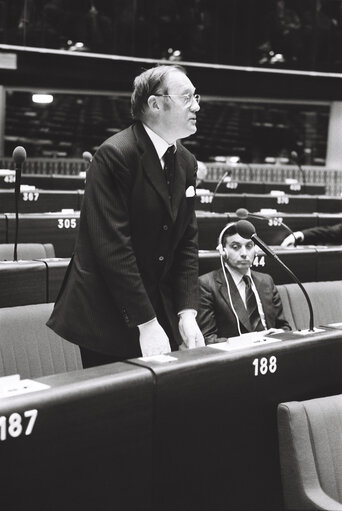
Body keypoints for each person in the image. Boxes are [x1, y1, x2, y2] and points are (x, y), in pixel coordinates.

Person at [47, 64, 205, 367]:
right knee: (113, 409)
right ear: (155, 103)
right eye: (187, 98)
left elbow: (186, 240)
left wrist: (187, 311)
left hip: (158, 306)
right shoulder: (115, 154)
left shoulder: (186, 162)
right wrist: (145, 322)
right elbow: (111, 246)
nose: (196, 106)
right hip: (107, 312)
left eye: (196, 97)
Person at [197, 222, 291, 344]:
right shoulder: (207, 284)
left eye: (249, 246)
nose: (244, 253)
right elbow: (208, 339)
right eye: (236, 247)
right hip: (236, 357)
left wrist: (280, 334)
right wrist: (252, 340)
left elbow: (284, 327)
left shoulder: (266, 281)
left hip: (272, 349)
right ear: (223, 251)